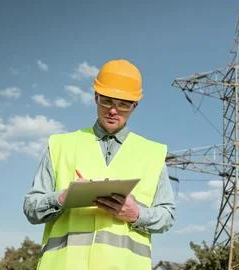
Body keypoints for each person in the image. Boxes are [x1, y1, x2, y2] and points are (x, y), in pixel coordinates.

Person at [23, 59, 175, 270]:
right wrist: (61, 198)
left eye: (123, 103)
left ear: (134, 106)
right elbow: (31, 208)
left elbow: (167, 216)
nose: (114, 110)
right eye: (107, 101)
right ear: (96, 97)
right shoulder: (59, 145)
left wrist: (137, 214)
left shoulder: (153, 154)